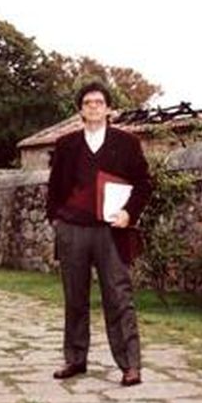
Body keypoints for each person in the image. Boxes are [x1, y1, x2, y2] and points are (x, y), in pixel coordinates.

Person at [46, 81, 153, 386]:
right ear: (80, 110)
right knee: (75, 298)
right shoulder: (66, 144)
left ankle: (130, 365)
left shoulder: (127, 143)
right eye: (88, 103)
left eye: (99, 102)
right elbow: (54, 188)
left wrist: (129, 213)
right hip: (73, 230)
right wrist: (56, 220)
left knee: (119, 297)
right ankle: (75, 359)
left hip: (110, 232)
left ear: (109, 109)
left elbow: (144, 184)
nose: (93, 107)